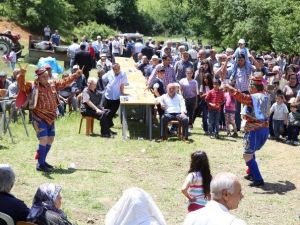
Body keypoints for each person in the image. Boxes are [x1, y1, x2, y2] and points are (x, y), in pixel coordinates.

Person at [17, 66, 83, 172]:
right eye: (43, 77)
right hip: (39, 117)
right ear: (38, 77)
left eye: (47, 76)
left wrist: (75, 75)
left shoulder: (52, 84)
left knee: (50, 139)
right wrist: (22, 74)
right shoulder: (32, 85)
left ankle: (42, 161)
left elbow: (64, 82)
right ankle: (40, 164)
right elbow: (21, 86)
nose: (46, 78)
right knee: (43, 139)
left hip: (51, 117)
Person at [225, 74, 270, 187]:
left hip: (254, 130)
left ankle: (258, 179)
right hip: (264, 129)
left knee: (247, 154)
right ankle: (251, 173)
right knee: (251, 151)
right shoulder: (266, 96)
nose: (249, 88)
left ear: (253, 87)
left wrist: (230, 88)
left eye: (250, 86)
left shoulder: (254, 98)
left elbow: (242, 98)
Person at [102, 63, 128, 133]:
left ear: (120, 68)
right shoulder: (109, 73)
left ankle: (107, 125)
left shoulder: (123, 74)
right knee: (106, 111)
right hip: (108, 95)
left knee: (112, 112)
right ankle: (107, 126)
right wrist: (106, 86)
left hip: (117, 96)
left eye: (118, 69)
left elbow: (122, 84)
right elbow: (103, 78)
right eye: (115, 69)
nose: (117, 70)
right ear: (112, 69)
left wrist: (123, 92)